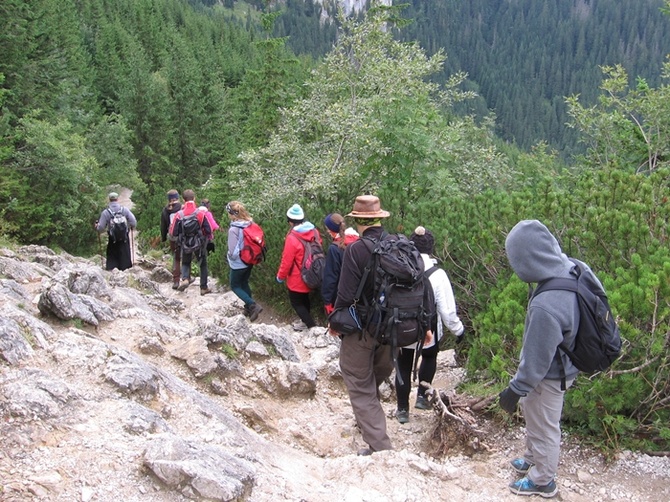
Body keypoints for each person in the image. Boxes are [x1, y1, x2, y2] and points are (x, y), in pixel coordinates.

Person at [331, 195, 431, 456]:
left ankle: (380, 447)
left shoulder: (356, 250)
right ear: (380, 218)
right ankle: (368, 419)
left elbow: (345, 294)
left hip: (363, 329)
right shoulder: (402, 245)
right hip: (393, 329)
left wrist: (336, 321)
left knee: (357, 379)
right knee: (375, 376)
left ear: (358, 220)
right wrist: (427, 323)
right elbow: (423, 286)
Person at [499, 219, 589, 498]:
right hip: (567, 362)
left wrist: (515, 389)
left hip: (552, 375)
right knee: (534, 413)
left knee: (545, 424)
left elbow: (536, 361)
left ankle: (543, 480)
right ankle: (531, 456)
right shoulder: (572, 266)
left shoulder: (546, 306)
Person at [394, 226, 465, 424]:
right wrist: (458, 330)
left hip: (403, 326)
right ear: (431, 248)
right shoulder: (437, 273)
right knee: (429, 356)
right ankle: (423, 398)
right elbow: (447, 311)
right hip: (428, 328)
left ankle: (402, 410)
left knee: (403, 364)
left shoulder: (399, 268)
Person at [276, 204, 322, 331]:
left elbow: (287, 261)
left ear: (290, 221)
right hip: (315, 271)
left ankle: (311, 326)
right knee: (305, 298)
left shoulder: (292, 238)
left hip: (298, 276)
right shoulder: (314, 231)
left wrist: (280, 276)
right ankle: (305, 321)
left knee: (296, 302)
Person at [168, 189, 213, 296]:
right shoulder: (200, 213)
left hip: (185, 242)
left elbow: (173, 232)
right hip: (199, 242)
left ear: (183, 200)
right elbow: (208, 229)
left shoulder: (179, 215)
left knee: (185, 262)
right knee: (202, 264)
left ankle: (185, 279)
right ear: (194, 198)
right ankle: (203, 287)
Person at [226, 200, 263, 321]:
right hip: (250, 260)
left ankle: (252, 305)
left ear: (231, 214)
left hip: (238, 262)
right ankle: (248, 307)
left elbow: (232, 251)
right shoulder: (249, 224)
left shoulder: (233, 229)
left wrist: (229, 257)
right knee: (244, 283)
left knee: (235, 285)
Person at [321, 213, 359, 316]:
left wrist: (327, 301)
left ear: (332, 230)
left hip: (339, 297)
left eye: (328, 228)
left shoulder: (334, 249)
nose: (327, 231)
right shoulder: (357, 242)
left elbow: (330, 278)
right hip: (357, 294)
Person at [96, 191, 137, 271]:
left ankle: (112, 272)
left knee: (112, 263)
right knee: (125, 264)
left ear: (109, 200)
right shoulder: (124, 210)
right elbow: (133, 223)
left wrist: (97, 226)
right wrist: (129, 226)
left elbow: (100, 228)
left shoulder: (106, 213)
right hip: (124, 239)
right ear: (117, 199)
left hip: (113, 240)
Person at [160, 190, 183, 289]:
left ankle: (176, 280)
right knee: (186, 256)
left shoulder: (166, 210)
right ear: (177, 198)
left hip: (172, 236)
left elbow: (163, 225)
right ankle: (187, 277)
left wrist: (164, 237)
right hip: (183, 236)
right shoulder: (182, 207)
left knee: (176, 257)